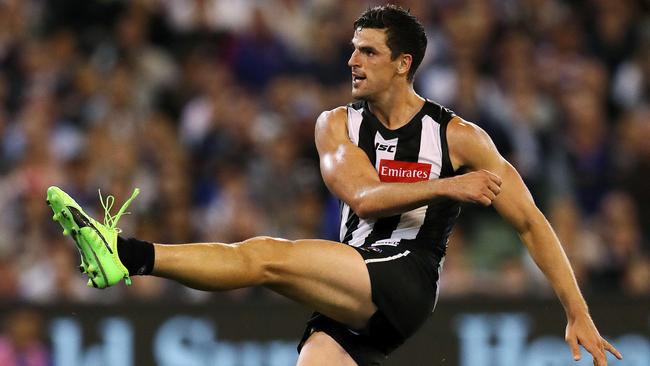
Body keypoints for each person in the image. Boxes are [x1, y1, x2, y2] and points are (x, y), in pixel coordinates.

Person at [47, 5, 622, 366]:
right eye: (351, 49)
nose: (353, 60)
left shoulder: (460, 138)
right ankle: (124, 258)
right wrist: (447, 189)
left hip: (405, 278)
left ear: (403, 63)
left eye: (367, 51)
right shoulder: (335, 123)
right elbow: (362, 196)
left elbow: (531, 223)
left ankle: (125, 256)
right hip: (351, 282)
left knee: (264, 257)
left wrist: (578, 312)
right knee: (281, 298)